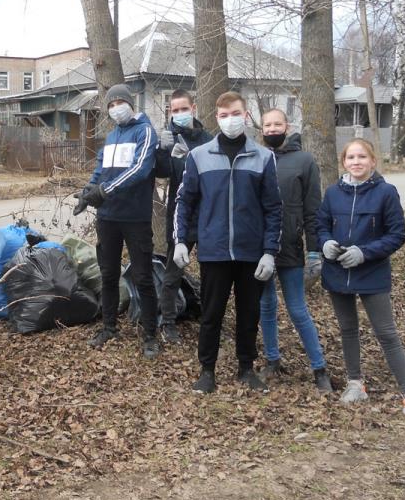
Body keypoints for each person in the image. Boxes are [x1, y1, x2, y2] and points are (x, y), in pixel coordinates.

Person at [317, 138, 405, 418]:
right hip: (338, 272)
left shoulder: (386, 192)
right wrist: (325, 243)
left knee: (386, 333)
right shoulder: (333, 193)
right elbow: (321, 225)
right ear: (343, 162)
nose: (356, 162)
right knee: (348, 329)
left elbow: (397, 234)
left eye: (362, 156)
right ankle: (355, 384)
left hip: (372, 272)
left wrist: (365, 253)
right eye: (351, 157)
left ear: (373, 161)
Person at [174, 91, 281, 393]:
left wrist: (270, 251)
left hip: (251, 252)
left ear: (245, 116)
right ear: (216, 118)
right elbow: (185, 201)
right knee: (211, 314)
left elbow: (274, 208)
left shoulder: (263, 157)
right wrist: (180, 240)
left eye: (235, 114)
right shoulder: (199, 156)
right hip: (214, 250)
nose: (230, 120)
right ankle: (207, 371)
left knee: (249, 314)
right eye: (223, 115)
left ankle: (246, 368)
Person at [74, 83, 160, 359]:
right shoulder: (111, 137)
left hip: (135, 218)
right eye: (110, 105)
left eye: (119, 103)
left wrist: (105, 191)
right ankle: (109, 327)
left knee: (143, 277)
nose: (115, 108)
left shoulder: (145, 131)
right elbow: (100, 170)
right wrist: (87, 193)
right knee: (108, 274)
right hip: (107, 217)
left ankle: (150, 335)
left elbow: (140, 169)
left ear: (130, 104)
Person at [257, 109, 332, 392]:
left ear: (286, 126)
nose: (272, 129)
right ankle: (272, 360)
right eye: (267, 124)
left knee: (298, 309)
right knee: (266, 305)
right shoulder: (257, 157)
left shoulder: (304, 160)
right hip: (260, 248)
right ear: (261, 129)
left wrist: (314, 250)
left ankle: (319, 368)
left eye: (277, 124)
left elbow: (313, 210)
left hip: (290, 246)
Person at [155, 89, 212, 344]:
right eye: (175, 110)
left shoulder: (208, 140)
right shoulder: (169, 138)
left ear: (193, 108)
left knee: (212, 274)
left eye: (183, 109)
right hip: (181, 215)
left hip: (208, 215)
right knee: (173, 272)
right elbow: (162, 173)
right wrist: (162, 150)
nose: (179, 114)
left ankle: (210, 319)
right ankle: (167, 322)